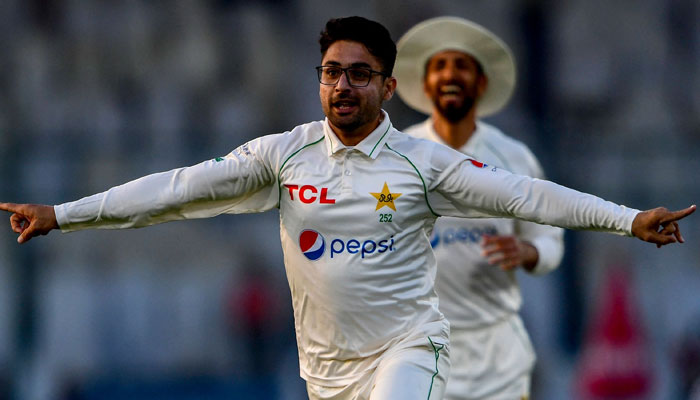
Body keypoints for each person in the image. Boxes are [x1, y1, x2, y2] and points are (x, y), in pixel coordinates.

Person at [0, 16, 694, 400]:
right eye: (332, 72)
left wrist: (625, 219)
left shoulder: (424, 164)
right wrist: (64, 212)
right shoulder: (284, 156)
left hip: (410, 349)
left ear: (388, 87)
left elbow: (523, 194)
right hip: (326, 372)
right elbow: (179, 189)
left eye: (359, 74)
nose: (342, 86)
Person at [393, 16, 562, 399]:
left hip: (496, 360)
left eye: (462, 66)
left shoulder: (513, 157)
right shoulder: (395, 157)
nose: (450, 75)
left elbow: (548, 242)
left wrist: (533, 252)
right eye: (439, 66)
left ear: (482, 83)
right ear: (425, 84)